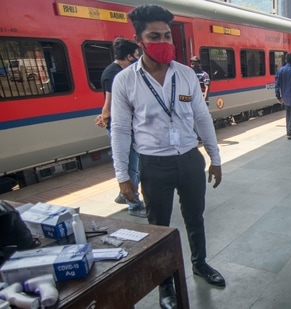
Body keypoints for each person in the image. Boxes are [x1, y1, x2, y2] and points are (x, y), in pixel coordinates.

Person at [110, 4, 225, 309]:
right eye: (154, 36)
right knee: (158, 229)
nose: (164, 42)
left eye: (167, 36)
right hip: (153, 165)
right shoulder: (125, 81)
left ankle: (200, 264)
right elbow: (120, 130)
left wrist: (215, 158)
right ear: (139, 40)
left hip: (189, 160)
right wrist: (123, 176)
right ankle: (165, 286)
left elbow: (202, 118)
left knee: (195, 219)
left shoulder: (186, 74)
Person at [94, 38, 146, 218]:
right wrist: (105, 116)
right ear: (129, 55)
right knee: (132, 166)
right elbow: (109, 104)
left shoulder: (114, 71)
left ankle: (124, 196)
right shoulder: (115, 74)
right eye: (137, 56)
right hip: (123, 128)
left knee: (132, 164)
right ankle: (134, 204)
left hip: (125, 125)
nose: (138, 59)